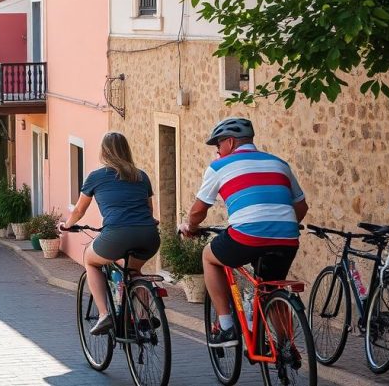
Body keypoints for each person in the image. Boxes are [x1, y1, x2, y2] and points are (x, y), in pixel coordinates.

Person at [178, 117, 308, 346]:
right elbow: (301, 206)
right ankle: (286, 348)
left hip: (246, 236)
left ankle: (227, 326)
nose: (217, 152)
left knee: (209, 257)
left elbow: (198, 211)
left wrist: (191, 227)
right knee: (270, 285)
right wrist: (280, 226)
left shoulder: (218, 167)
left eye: (218, 145)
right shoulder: (279, 163)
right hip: (287, 237)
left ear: (230, 142)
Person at [62, 132, 160, 335]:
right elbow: (149, 210)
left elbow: (79, 210)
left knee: (91, 260)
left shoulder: (96, 177)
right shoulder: (141, 176)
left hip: (117, 234)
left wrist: (66, 225)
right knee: (133, 272)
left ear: (104, 151)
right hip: (149, 235)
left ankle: (105, 314)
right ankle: (143, 317)